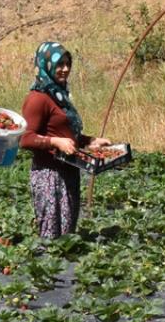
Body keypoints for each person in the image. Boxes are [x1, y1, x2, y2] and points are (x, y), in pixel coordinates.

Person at [20, 42, 110, 239]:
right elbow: (25, 138)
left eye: (68, 64)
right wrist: (55, 142)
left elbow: (66, 132)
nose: (65, 69)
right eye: (60, 64)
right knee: (51, 234)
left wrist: (90, 141)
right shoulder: (38, 98)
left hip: (69, 171)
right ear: (47, 65)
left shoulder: (59, 94)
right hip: (49, 175)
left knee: (67, 233)